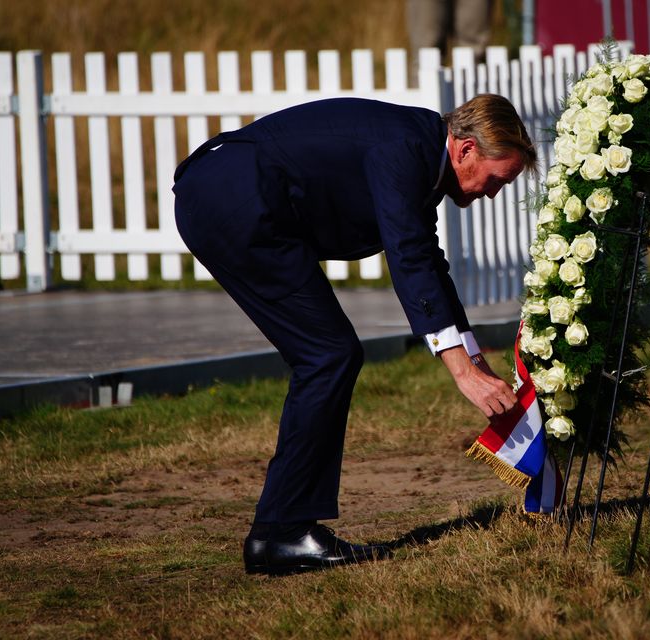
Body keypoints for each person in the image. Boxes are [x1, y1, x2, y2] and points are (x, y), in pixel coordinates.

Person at [173, 94, 537, 576]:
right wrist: (461, 374)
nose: (493, 193)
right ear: (466, 149)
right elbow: (406, 258)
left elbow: (426, 261)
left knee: (328, 355)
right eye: (497, 179)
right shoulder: (404, 148)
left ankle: (279, 531)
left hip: (228, 195)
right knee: (328, 356)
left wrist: (475, 358)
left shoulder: (419, 149)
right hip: (233, 198)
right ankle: (282, 533)